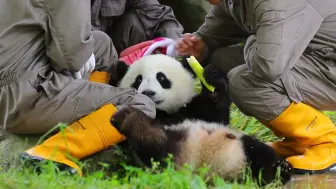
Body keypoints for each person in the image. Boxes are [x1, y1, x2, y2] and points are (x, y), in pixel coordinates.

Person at [175, 0, 336, 174]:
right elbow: (217, 28)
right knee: (221, 60)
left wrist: (255, 38)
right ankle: (299, 141)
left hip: (329, 65)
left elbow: (268, 67)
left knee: (243, 83)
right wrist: (200, 45)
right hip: (315, 55)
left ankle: (326, 142)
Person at [0, 0, 156, 176]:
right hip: (25, 96)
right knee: (139, 105)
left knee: (101, 43)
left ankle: (91, 116)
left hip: (13, 80)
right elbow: (70, 59)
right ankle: (51, 153)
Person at [91, 0, 184, 54]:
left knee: (135, 21)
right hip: (82, 55)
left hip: (114, 60)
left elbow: (161, 15)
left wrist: (172, 47)